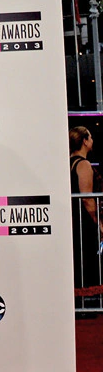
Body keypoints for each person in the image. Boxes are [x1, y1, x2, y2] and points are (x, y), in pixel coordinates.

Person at [70, 126, 103, 296]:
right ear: (84, 140)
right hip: (83, 221)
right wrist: (99, 224)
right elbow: (87, 198)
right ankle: (87, 299)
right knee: (87, 260)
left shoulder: (68, 162)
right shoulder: (83, 164)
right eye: (90, 137)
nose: (92, 141)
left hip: (72, 220)